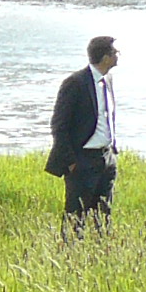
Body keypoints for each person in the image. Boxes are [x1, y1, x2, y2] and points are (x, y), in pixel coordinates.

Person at [46, 37, 120, 231]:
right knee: (75, 214)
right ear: (105, 57)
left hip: (107, 158)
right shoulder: (75, 83)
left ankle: (100, 246)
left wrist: (112, 151)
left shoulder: (108, 80)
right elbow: (59, 125)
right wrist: (71, 162)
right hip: (83, 160)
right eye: (115, 52)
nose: (118, 55)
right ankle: (70, 247)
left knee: (103, 214)